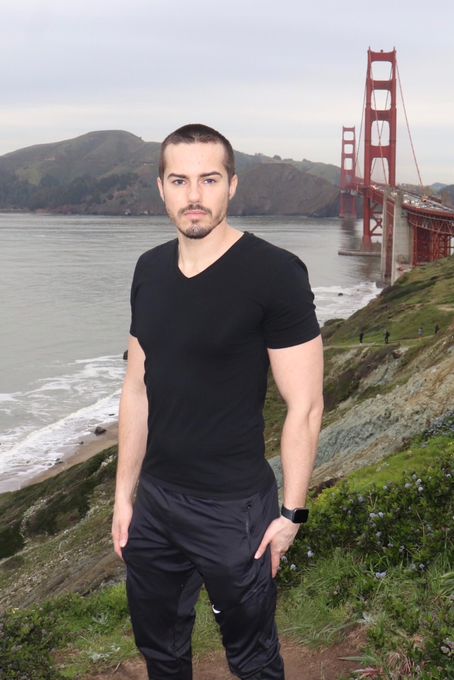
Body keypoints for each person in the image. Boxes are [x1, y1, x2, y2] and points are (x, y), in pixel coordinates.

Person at [112, 124, 324, 680]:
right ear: (161, 188)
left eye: (209, 179)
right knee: (160, 651)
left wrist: (292, 514)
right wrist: (124, 497)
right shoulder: (148, 269)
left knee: (252, 658)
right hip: (156, 502)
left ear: (232, 185)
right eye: (179, 180)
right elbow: (137, 387)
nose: (194, 195)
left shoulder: (275, 273)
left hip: (234, 510)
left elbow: (305, 405)